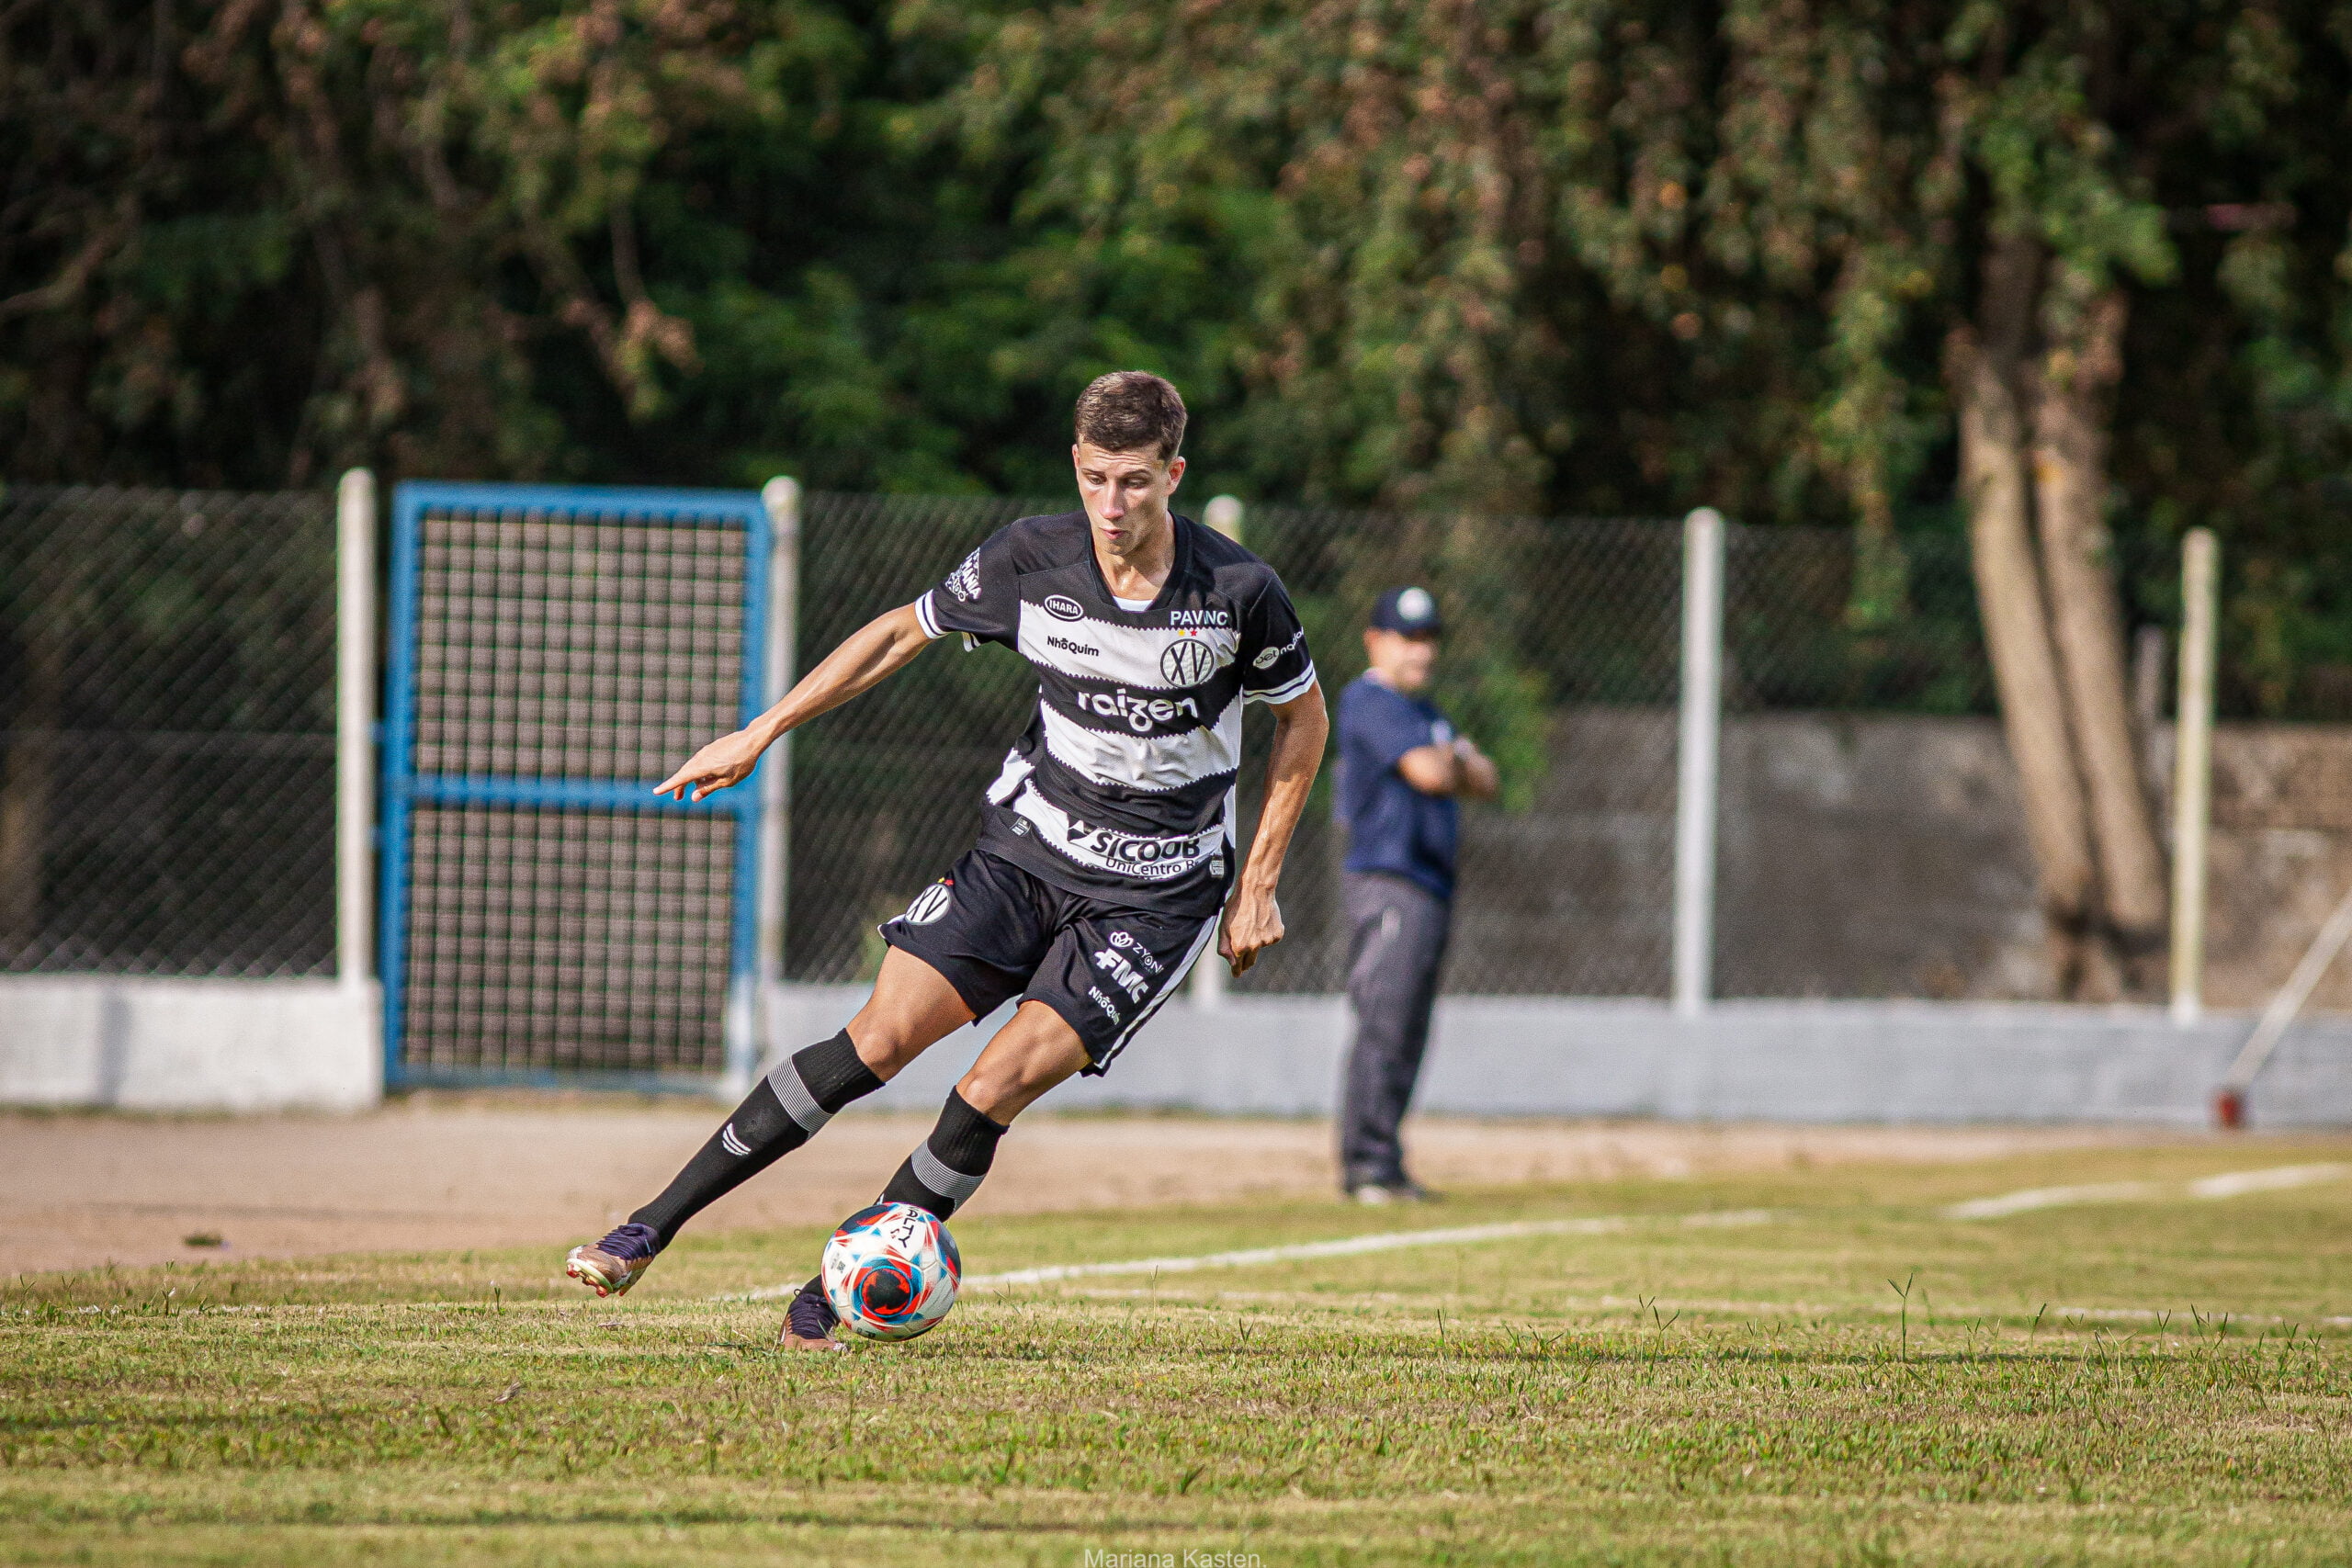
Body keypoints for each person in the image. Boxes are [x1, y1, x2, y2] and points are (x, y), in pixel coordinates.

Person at [561, 371, 1327, 1348]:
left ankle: (838, 1289)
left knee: (989, 1087)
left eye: (1135, 482)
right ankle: (645, 1230)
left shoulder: (1237, 593)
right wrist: (759, 732)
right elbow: (896, 635)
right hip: (1024, 853)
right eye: (1094, 478)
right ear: (1074, 466)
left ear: (1173, 475)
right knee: (873, 1042)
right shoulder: (1029, 559)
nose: (1111, 505)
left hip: (1157, 894)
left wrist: (1256, 882)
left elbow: (1303, 721)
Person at [1331, 586, 1498, 1203]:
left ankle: (1386, 1158)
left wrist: (1452, 758)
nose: (1421, 651)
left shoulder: (1426, 712)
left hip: (1428, 882)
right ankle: (1365, 1164)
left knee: (1409, 1026)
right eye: (1408, 637)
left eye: (1428, 638)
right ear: (1376, 640)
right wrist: (1454, 757)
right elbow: (1435, 773)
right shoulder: (1369, 700)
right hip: (1388, 881)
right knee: (1384, 1020)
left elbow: (1486, 777)